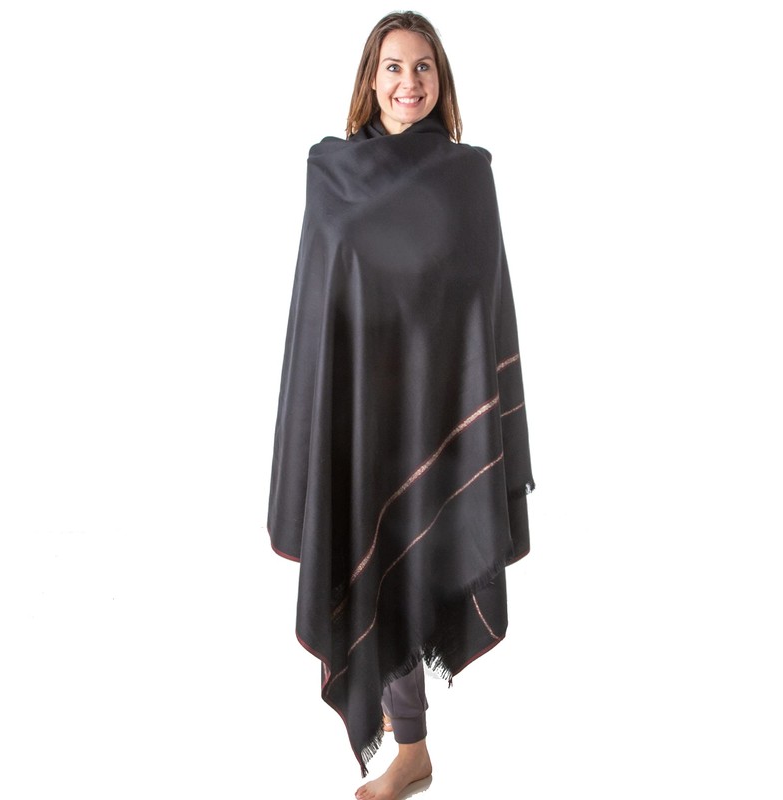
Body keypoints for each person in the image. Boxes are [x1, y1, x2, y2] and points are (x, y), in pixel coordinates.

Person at [267, 11, 535, 800]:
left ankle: (411, 750)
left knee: (414, 560)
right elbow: (323, 301)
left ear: (440, 81)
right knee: (368, 557)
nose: (408, 82)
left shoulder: (466, 176)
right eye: (393, 66)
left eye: (423, 67)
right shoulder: (330, 171)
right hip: (359, 406)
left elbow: (479, 304)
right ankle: (409, 745)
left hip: (437, 406)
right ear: (370, 78)